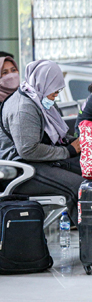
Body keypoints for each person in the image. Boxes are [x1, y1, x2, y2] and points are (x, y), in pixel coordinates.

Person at [0, 60, 83, 220]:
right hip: (21, 171)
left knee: (91, 168)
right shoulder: (23, 108)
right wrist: (68, 151)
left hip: (37, 163)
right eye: (54, 91)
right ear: (43, 84)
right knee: (78, 187)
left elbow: (57, 135)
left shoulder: (40, 99)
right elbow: (28, 150)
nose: (56, 95)